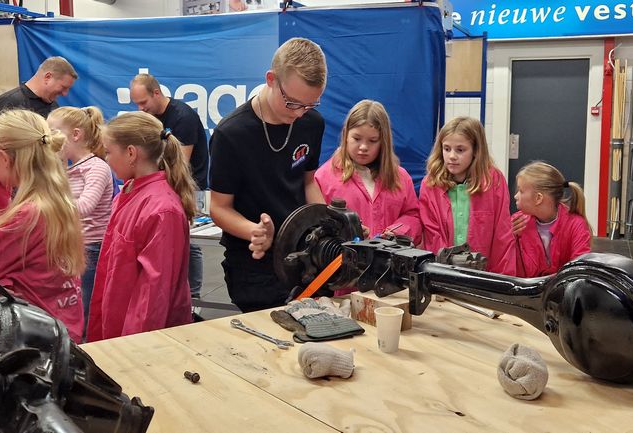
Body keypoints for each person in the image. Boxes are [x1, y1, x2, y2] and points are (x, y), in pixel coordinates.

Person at [209, 37, 326, 313]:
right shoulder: (231, 134)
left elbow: (308, 182)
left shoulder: (312, 124)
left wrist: (330, 223)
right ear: (271, 79)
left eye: (310, 105)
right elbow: (218, 207)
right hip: (254, 265)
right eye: (292, 103)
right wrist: (255, 231)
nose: (299, 114)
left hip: (305, 258)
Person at [0, 109, 85, 341]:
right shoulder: (57, 202)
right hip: (61, 329)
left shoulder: (27, 217)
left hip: (33, 343)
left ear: (5, 159)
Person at [87, 111, 197, 342]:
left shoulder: (162, 210)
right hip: (118, 322)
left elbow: (154, 295)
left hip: (141, 338)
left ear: (131, 153)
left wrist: (134, 347)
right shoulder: (127, 192)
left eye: (108, 152)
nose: (106, 159)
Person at [130, 73, 208, 310]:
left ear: (156, 93)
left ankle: (193, 297)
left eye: (144, 103)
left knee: (190, 242)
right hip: (165, 186)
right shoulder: (151, 117)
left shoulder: (182, 116)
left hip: (190, 186)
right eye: (137, 104)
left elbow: (179, 163)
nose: (141, 109)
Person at [419, 116, 516, 275]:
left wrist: (502, 282)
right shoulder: (430, 184)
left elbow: (502, 236)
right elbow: (432, 237)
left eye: (460, 150)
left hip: (484, 275)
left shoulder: (494, 181)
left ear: (476, 151)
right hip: (443, 274)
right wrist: (439, 275)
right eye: (446, 148)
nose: (452, 156)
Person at [314, 99, 421, 243]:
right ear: (345, 135)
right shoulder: (324, 177)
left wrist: (396, 233)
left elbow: (413, 216)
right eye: (357, 138)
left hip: (389, 261)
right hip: (343, 261)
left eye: (372, 140)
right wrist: (349, 230)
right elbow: (316, 224)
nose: (363, 147)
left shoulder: (400, 177)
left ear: (383, 141)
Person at [47, 106, 113, 325]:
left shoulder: (96, 167)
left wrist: (47, 204)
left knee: (84, 312)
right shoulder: (68, 168)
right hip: (73, 245)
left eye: (54, 132)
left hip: (91, 248)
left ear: (76, 134)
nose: (50, 139)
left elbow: (85, 206)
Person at [512, 161, 591, 277]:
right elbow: (510, 267)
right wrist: (509, 238)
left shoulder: (576, 225)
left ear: (538, 198)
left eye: (521, 191)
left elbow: (580, 270)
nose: (515, 196)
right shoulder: (517, 222)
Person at [0, 56, 78, 124]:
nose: (65, 94)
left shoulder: (54, 107)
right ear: (48, 77)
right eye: (63, 87)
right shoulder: (9, 102)